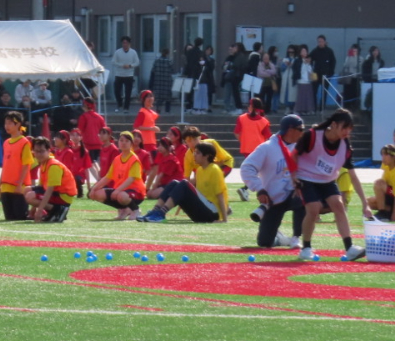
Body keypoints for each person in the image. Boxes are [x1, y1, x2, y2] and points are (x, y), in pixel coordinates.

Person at [293, 109, 371, 261]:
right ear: (334, 125)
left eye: (350, 128)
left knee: (338, 205)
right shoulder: (312, 135)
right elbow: (294, 154)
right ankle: (306, 248)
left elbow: (353, 175)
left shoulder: (345, 145)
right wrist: (293, 176)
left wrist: (365, 203)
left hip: (327, 180)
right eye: (344, 127)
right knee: (313, 209)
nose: (347, 132)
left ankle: (349, 248)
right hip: (306, 178)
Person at [239, 114, 306, 249]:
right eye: (300, 129)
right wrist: (259, 189)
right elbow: (246, 168)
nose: (302, 133)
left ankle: (296, 237)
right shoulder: (267, 148)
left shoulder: (302, 148)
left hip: (294, 193)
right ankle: (280, 239)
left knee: (304, 197)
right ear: (290, 130)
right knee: (264, 242)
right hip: (273, 199)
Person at [139, 142, 229, 224]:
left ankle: (161, 213)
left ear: (207, 156)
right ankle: (155, 212)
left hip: (212, 214)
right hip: (201, 212)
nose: (194, 155)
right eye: (195, 152)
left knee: (183, 183)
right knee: (174, 183)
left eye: (198, 153)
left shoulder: (214, 170)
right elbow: (191, 189)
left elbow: (220, 195)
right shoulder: (200, 170)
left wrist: (224, 219)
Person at [90, 131, 146, 220]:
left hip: (136, 192)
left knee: (121, 195)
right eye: (121, 140)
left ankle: (135, 210)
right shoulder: (117, 159)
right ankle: (123, 210)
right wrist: (94, 188)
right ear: (118, 142)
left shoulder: (134, 159)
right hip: (121, 191)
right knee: (97, 194)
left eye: (127, 141)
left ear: (131, 144)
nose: (123, 143)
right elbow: (108, 177)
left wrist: (117, 190)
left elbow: (131, 179)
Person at [24, 137, 76, 222]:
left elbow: (50, 190)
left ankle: (59, 210)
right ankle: (49, 211)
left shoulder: (53, 166)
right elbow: (41, 187)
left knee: (30, 196)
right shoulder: (44, 163)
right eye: (36, 151)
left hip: (62, 196)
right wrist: (33, 211)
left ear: (49, 151)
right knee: (27, 189)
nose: (39, 154)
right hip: (55, 193)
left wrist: (39, 210)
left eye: (42, 151)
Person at [0, 111, 32, 220]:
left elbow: (26, 165)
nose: (6, 126)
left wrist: (20, 184)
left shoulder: (24, 142)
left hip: (18, 187)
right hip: (6, 187)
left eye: (9, 123)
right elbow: (5, 165)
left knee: (20, 217)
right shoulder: (6, 142)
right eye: (5, 123)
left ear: (18, 125)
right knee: (9, 218)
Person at [76, 98, 106, 172]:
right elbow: (104, 130)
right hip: (99, 144)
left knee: (90, 164)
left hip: (88, 144)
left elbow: (79, 131)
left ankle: (98, 177)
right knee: (95, 162)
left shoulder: (84, 117)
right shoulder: (100, 117)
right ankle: (100, 175)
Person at [111, 37, 140, 112]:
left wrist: (130, 66)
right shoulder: (118, 52)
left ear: (129, 44)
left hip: (129, 75)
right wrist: (121, 65)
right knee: (117, 91)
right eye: (123, 43)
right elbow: (113, 62)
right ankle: (120, 103)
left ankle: (126, 108)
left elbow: (137, 62)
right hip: (119, 74)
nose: (125, 44)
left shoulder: (133, 52)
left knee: (128, 92)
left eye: (126, 43)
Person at [367, 144, 395, 221]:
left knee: (379, 184)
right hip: (391, 193)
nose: (383, 157)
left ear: (393, 156)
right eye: (382, 155)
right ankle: (386, 212)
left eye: (386, 155)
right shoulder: (386, 166)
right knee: (368, 202)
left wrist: (393, 216)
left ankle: (383, 213)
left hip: (393, 193)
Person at [309, 35, 336, 110]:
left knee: (324, 92)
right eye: (319, 42)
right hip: (316, 74)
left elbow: (333, 62)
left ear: (324, 42)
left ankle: (322, 108)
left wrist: (331, 73)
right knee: (314, 91)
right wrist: (311, 71)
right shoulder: (315, 51)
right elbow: (309, 60)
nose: (320, 43)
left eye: (321, 41)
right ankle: (314, 107)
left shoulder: (329, 51)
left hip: (326, 74)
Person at [133, 90, 159, 157]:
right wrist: (151, 128)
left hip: (152, 142)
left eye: (151, 96)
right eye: (148, 97)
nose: (150, 98)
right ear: (143, 99)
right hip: (145, 143)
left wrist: (153, 128)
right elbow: (136, 126)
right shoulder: (142, 112)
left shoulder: (151, 112)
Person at [294, 46, 316, 115]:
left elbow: (311, 71)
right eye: (303, 51)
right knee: (301, 96)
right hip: (301, 81)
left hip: (308, 81)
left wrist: (308, 64)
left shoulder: (310, 60)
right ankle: (300, 110)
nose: (304, 53)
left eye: (305, 51)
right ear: (300, 53)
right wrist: (304, 64)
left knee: (308, 96)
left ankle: (308, 109)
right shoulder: (298, 61)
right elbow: (299, 70)